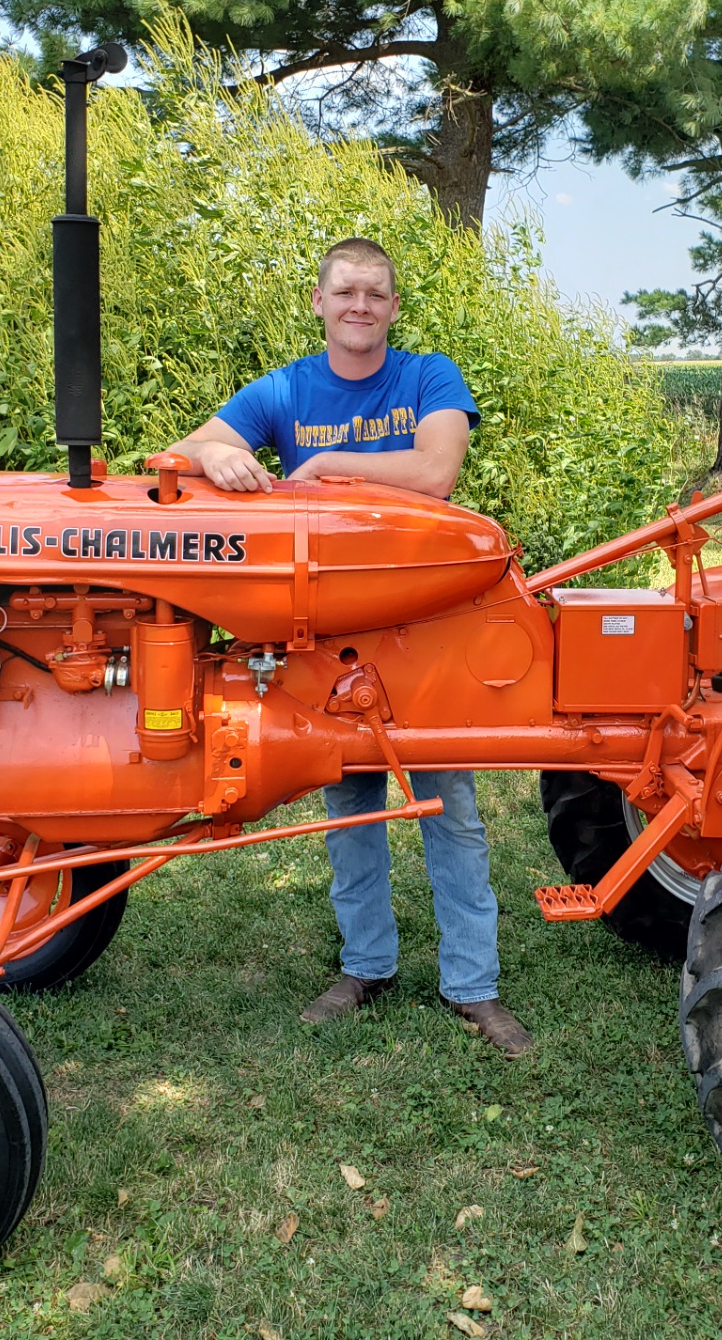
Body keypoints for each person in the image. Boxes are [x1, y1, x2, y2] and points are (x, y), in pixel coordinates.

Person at [164, 237, 532, 1058]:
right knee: (351, 809)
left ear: (393, 308)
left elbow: (436, 472)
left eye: (375, 294)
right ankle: (366, 965)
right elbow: (184, 453)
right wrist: (221, 452)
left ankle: (473, 984)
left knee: (453, 813)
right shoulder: (286, 387)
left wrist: (327, 461)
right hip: (329, 633)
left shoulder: (428, 376)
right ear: (319, 302)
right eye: (345, 292)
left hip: (430, 620)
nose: (359, 306)